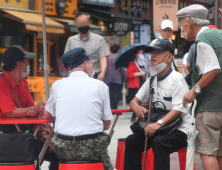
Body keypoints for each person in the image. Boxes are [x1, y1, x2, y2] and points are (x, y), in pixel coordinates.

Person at [124, 39, 191, 170]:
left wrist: (158, 123)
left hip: (180, 129)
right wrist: (136, 107)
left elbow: (178, 109)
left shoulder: (177, 79)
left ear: (169, 57)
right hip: (160, 129)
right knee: (131, 140)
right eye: (151, 53)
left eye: (158, 52)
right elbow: (133, 100)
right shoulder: (152, 80)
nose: (153, 56)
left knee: (159, 142)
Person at [43, 47, 113, 170]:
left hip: (63, 147)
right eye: (90, 62)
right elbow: (107, 125)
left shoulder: (57, 85)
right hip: (92, 147)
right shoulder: (100, 86)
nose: (92, 66)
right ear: (85, 64)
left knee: (56, 147)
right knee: (102, 149)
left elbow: (46, 117)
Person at [177, 5, 222, 170]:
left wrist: (193, 91)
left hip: (209, 107)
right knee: (219, 155)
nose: (181, 28)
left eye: (182, 22)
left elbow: (213, 68)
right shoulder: (219, 35)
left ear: (189, 21)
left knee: (208, 153)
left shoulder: (203, 39)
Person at [0, 45, 59, 170]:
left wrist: (35, 110)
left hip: (25, 130)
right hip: (8, 134)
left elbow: (29, 107)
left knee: (57, 149)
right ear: (19, 64)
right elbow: (10, 112)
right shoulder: (1, 82)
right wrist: (33, 109)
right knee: (42, 148)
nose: (28, 64)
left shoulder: (23, 82)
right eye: (26, 61)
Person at [64, 12, 110, 81]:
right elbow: (67, 59)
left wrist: (102, 73)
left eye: (84, 24)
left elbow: (103, 58)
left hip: (94, 76)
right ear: (76, 25)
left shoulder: (99, 39)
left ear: (89, 22)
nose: (82, 26)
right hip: (76, 77)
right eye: (80, 24)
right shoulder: (71, 40)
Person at [105, 44, 126, 110]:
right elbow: (122, 70)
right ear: (118, 50)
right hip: (117, 80)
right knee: (116, 96)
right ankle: (114, 109)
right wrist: (124, 79)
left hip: (107, 79)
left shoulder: (106, 58)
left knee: (109, 95)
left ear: (110, 50)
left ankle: (109, 109)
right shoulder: (119, 58)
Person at [127, 47, 146, 123]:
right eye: (140, 53)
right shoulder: (132, 63)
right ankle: (133, 117)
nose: (141, 55)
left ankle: (138, 116)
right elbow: (129, 75)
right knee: (135, 102)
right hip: (134, 86)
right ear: (136, 55)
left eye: (142, 53)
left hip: (141, 84)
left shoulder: (142, 63)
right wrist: (139, 74)